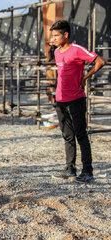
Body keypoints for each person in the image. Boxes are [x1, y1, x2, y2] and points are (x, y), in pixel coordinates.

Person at [50, 20, 106, 182]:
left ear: (65, 35)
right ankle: (70, 169)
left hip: (76, 99)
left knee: (81, 135)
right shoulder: (57, 52)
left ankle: (87, 171)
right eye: (51, 36)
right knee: (67, 135)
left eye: (56, 35)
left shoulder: (77, 50)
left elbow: (100, 61)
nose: (53, 39)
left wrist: (85, 78)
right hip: (60, 99)